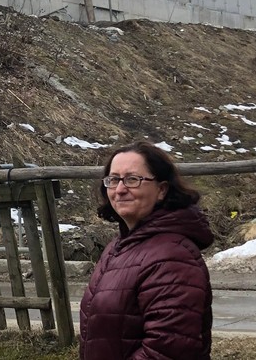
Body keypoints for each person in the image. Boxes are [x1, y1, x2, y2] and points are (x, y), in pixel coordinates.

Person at [78, 141, 213, 360]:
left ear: (161, 189)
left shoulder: (172, 256)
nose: (120, 189)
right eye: (113, 180)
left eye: (133, 179)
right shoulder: (119, 247)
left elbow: (167, 350)